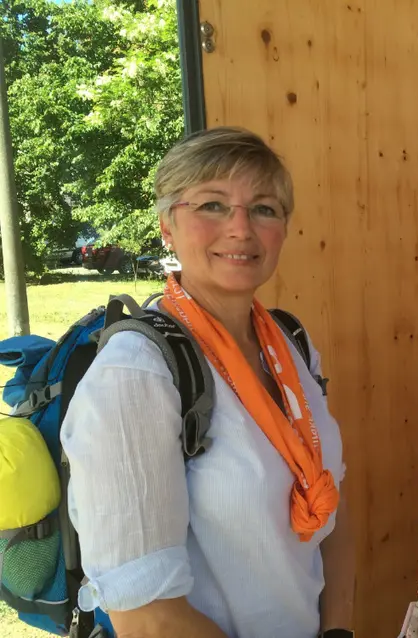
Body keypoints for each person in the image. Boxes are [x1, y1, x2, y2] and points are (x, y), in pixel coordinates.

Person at [60, 127, 355, 638]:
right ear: (167, 227)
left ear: (283, 228)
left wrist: (337, 631)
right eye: (213, 206)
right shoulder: (137, 374)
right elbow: (147, 619)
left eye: (264, 208)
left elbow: (333, 504)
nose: (240, 228)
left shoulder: (292, 344)